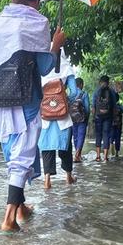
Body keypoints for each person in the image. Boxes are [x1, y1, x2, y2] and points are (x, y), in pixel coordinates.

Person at [0, 0, 65, 233]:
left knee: (13, 152)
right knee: (22, 157)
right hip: (27, 98)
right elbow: (45, 67)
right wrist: (55, 46)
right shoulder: (37, 22)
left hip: (1, 99)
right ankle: (8, 219)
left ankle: (22, 209)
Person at [39, 54, 79, 189]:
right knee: (66, 146)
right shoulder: (66, 66)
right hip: (63, 115)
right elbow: (74, 92)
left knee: (46, 147)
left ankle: (47, 180)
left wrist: (46, 104)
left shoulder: (40, 64)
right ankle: (68, 177)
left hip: (45, 114)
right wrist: (63, 104)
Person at [91, 75, 118, 162]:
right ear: (108, 82)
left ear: (100, 82)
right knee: (106, 135)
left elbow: (93, 106)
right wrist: (114, 117)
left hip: (98, 116)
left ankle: (98, 156)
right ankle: (105, 157)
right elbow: (114, 106)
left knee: (98, 135)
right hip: (108, 117)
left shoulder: (96, 92)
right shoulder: (112, 92)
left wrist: (94, 116)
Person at [68, 77, 90, 163]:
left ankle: (78, 155)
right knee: (81, 135)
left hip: (72, 118)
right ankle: (77, 154)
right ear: (81, 84)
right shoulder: (84, 94)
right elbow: (87, 108)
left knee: (75, 136)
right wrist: (87, 118)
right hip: (81, 118)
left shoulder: (71, 94)